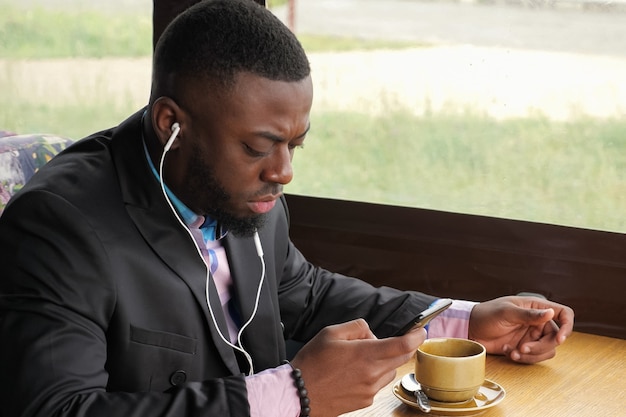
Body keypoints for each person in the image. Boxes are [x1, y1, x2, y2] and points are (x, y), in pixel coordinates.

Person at [0, 1, 574, 416]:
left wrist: (465, 322)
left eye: (293, 145)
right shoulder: (59, 226)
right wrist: (293, 394)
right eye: (258, 146)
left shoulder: (243, 188)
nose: (283, 172)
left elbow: (303, 294)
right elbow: (55, 409)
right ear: (171, 124)